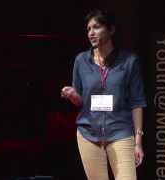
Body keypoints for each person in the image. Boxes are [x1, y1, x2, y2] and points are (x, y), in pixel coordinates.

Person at [61, 9, 147, 180]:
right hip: (88, 134)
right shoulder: (81, 61)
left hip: (120, 132)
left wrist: (138, 141)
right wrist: (73, 96)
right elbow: (80, 100)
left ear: (111, 30)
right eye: (88, 29)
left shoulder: (129, 61)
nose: (91, 33)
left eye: (97, 27)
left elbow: (137, 102)